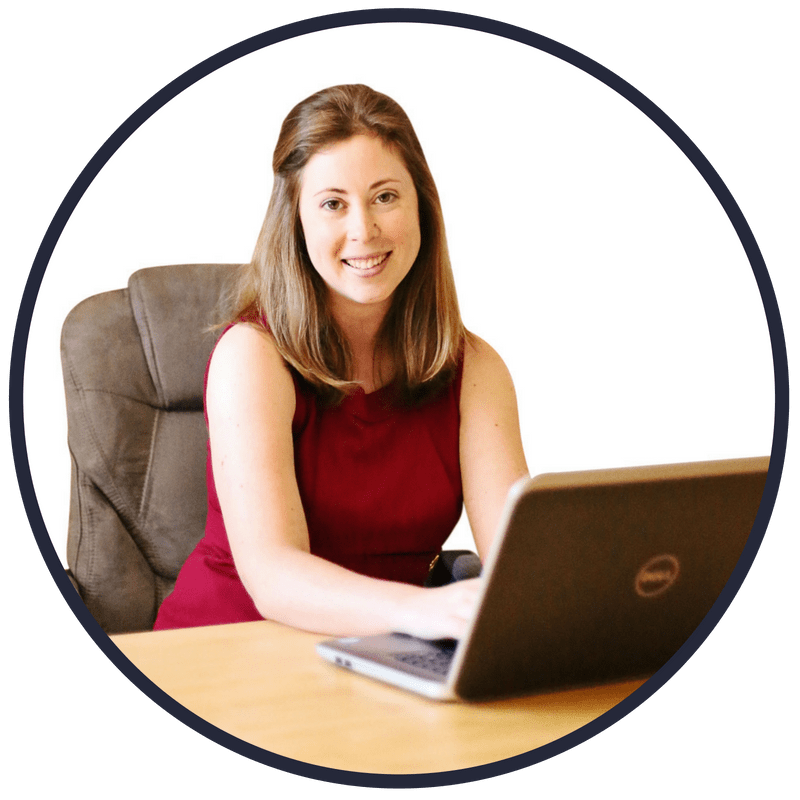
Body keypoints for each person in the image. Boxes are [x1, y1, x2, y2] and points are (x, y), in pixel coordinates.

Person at [154, 85, 528, 639]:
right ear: (297, 221)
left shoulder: (475, 370)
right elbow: (273, 576)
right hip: (230, 648)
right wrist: (422, 612)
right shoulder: (252, 356)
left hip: (382, 658)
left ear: (421, 204)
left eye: (385, 197)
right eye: (333, 203)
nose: (364, 231)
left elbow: (519, 563)